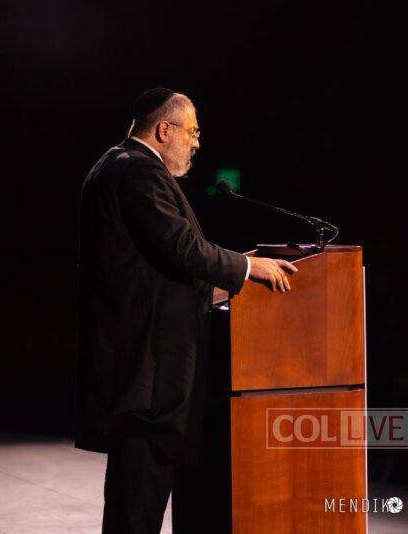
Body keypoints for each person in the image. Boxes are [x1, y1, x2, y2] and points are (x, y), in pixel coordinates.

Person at [76, 88, 297, 533]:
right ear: (165, 129)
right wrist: (249, 267)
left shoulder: (116, 163)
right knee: (137, 504)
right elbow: (181, 247)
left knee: (134, 499)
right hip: (147, 371)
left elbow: (152, 266)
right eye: (192, 132)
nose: (196, 143)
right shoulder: (138, 170)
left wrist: (220, 281)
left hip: (138, 364)